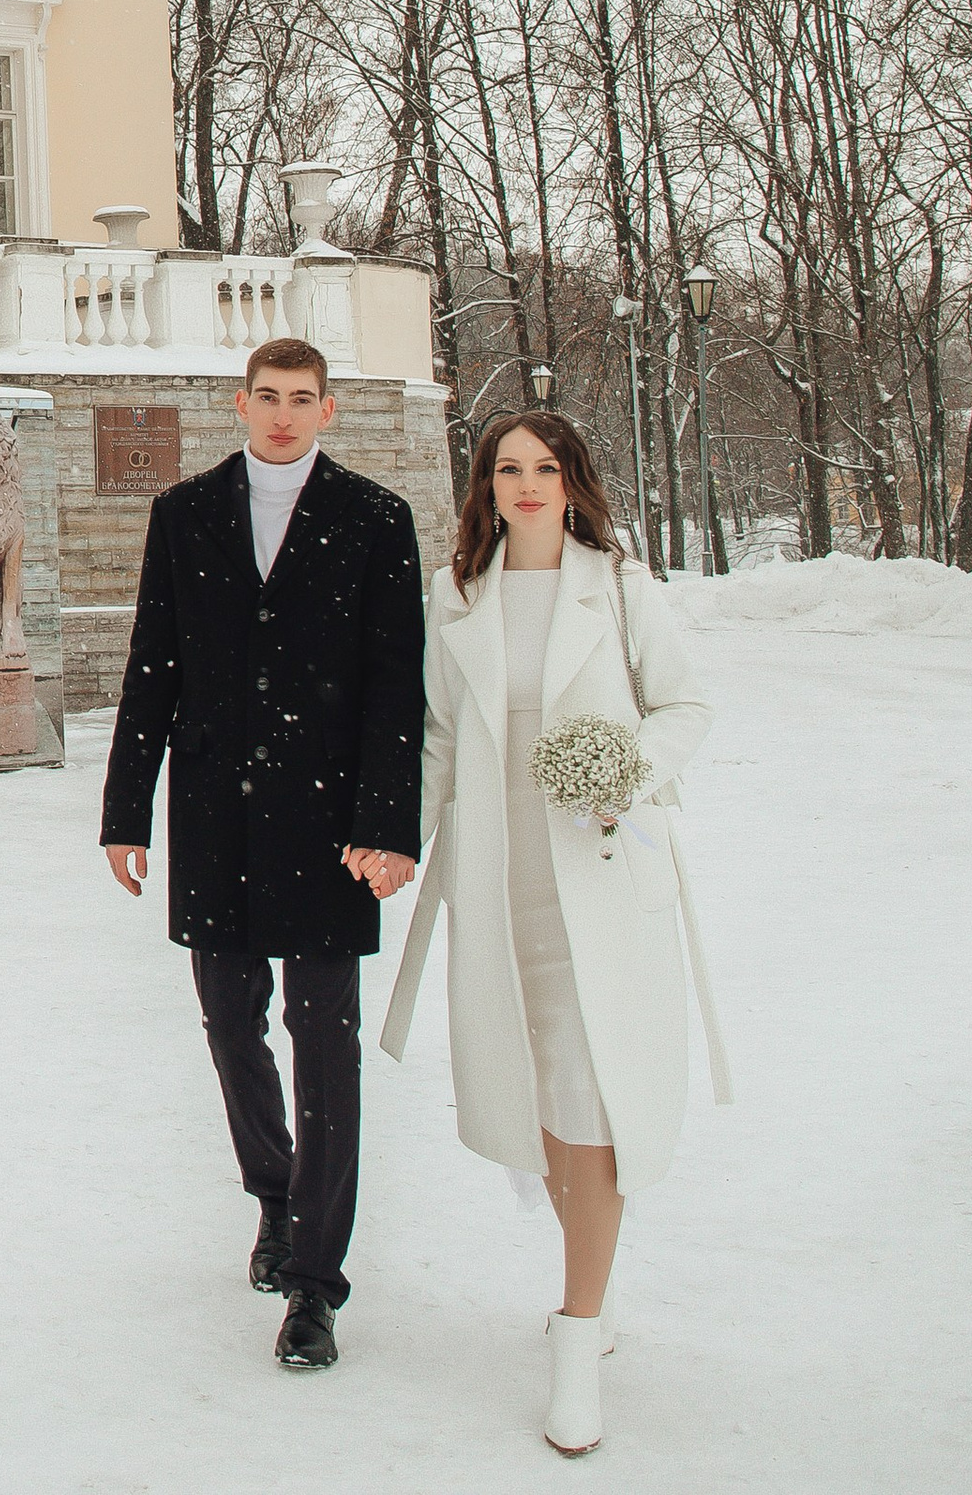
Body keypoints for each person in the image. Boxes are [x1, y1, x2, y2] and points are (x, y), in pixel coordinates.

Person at [380, 411, 726, 1458]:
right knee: (537, 1097)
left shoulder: (618, 587)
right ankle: (595, 1290)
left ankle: (578, 1339)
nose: (525, 484)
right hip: (499, 881)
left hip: (602, 878)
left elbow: (686, 707)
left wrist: (624, 767)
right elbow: (438, 736)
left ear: (572, 480)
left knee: (590, 1091)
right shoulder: (459, 597)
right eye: (505, 467)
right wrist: (390, 842)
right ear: (483, 485)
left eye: (543, 466)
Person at [102, 336, 427, 1372]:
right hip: (216, 818)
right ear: (238, 404)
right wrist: (125, 810)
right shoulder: (183, 513)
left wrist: (386, 823)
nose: (283, 414)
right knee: (230, 1020)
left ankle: (315, 1286)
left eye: (303, 399)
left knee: (322, 1038)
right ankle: (276, 1195)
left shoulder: (376, 520)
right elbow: (151, 665)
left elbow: (394, 684)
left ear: (328, 410)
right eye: (268, 397)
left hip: (329, 822)